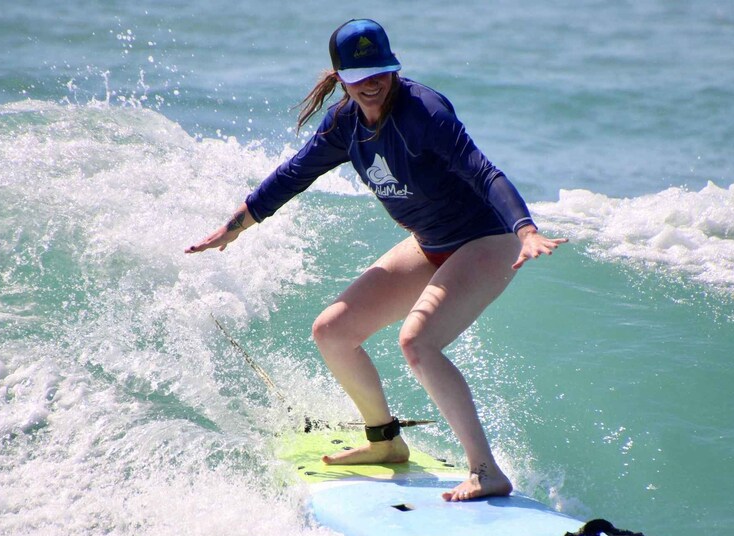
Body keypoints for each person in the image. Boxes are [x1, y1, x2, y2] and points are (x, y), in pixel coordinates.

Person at [186, 19, 567, 501]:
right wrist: (235, 226)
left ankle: (486, 471)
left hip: (487, 238)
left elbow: (484, 172)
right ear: (341, 76)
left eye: (380, 72)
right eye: (360, 75)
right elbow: (292, 175)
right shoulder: (344, 125)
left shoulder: (425, 112)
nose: (372, 83)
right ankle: (385, 443)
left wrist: (525, 229)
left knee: (418, 342)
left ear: (393, 68)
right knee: (332, 331)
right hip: (430, 241)